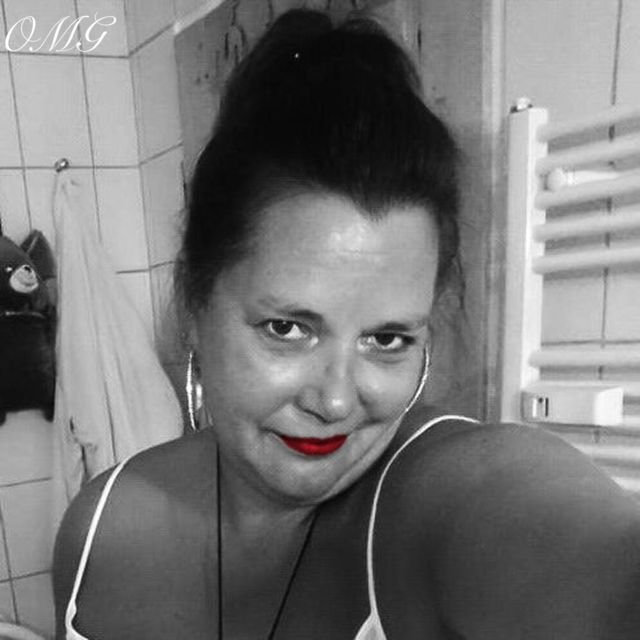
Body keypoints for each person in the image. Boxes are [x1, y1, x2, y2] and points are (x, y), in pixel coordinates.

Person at [53, 8, 640, 640]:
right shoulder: (101, 528)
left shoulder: (441, 502)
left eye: (387, 339)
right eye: (287, 328)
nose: (335, 401)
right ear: (195, 301)